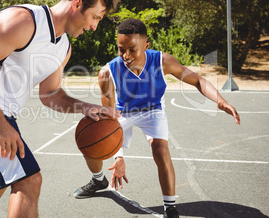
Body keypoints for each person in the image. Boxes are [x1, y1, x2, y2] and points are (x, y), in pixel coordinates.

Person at [0, 0, 120, 218]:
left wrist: (85, 107)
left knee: (6, 176)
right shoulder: (25, 21)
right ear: (77, 4)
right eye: (96, 17)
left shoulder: (63, 47)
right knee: (29, 182)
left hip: (2, 113)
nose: (94, 27)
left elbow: (50, 94)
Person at [73, 18, 240, 218]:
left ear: (146, 45)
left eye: (132, 49)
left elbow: (198, 81)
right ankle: (99, 179)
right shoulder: (107, 72)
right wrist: (118, 157)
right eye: (121, 49)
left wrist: (220, 101)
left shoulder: (163, 62)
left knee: (161, 151)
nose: (126, 55)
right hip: (122, 113)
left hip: (153, 111)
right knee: (92, 143)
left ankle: (170, 207)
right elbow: (110, 118)